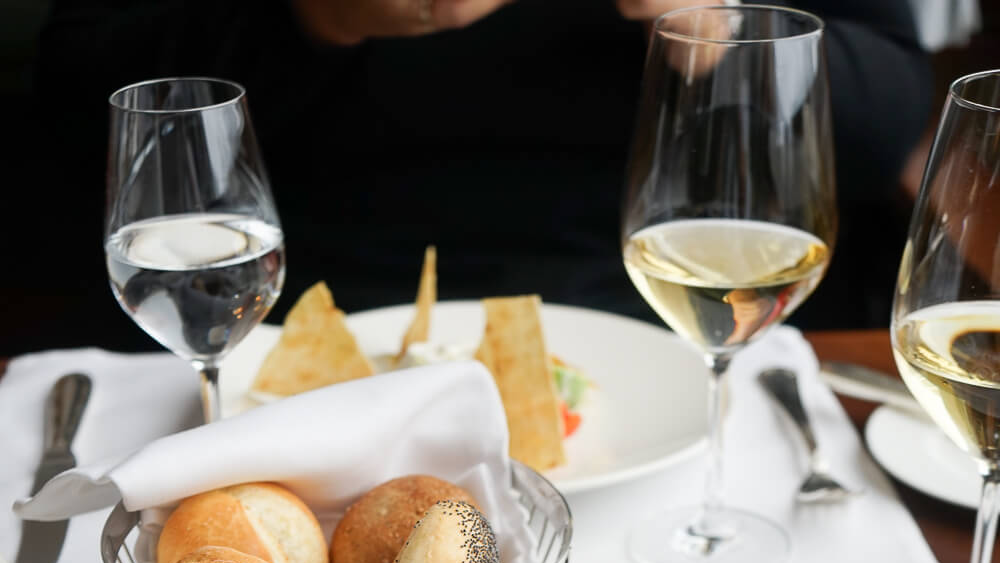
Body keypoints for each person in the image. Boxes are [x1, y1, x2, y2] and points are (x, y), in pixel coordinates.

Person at [10, 0, 932, 352]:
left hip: (661, 322)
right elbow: (79, 89)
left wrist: (718, 29)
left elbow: (885, 120)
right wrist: (319, 20)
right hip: (288, 324)